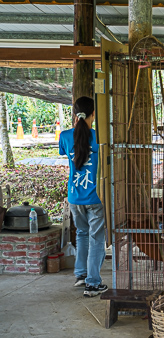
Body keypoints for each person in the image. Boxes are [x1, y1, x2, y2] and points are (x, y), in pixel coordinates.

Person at [59, 96, 107, 297]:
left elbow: (65, 154)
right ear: (93, 114)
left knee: (81, 234)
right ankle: (93, 283)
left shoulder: (65, 136)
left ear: (74, 114)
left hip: (74, 196)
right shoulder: (99, 138)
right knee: (96, 239)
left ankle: (81, 274)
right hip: (95, 197)